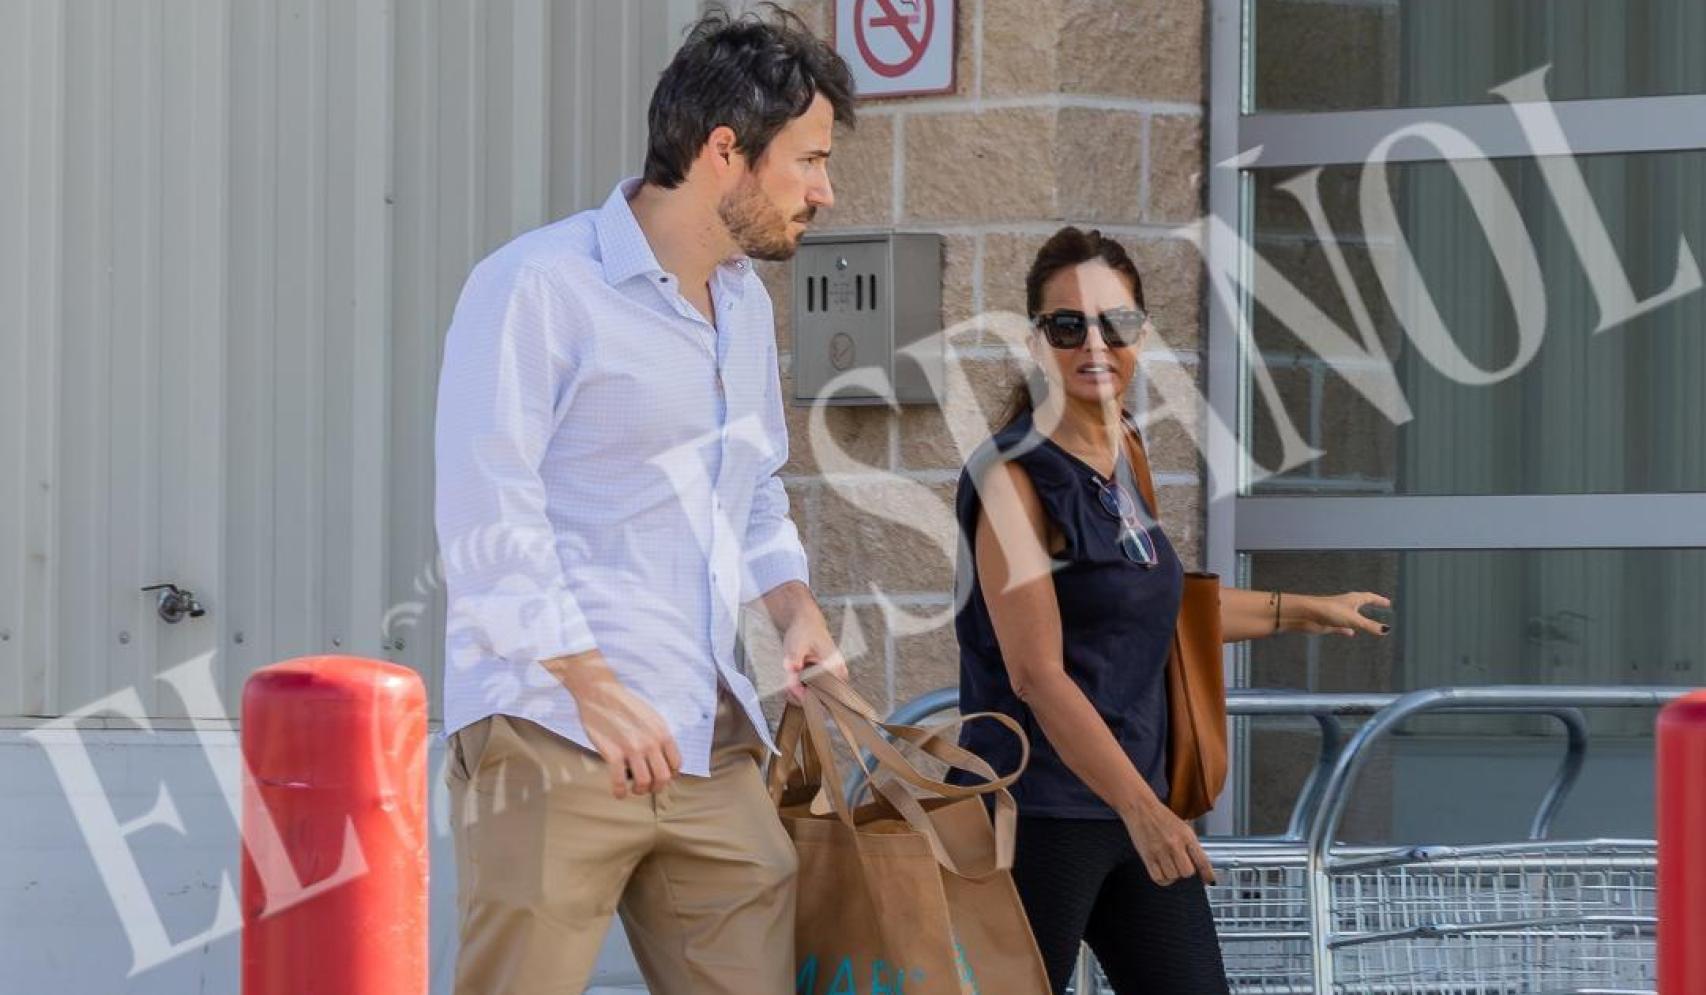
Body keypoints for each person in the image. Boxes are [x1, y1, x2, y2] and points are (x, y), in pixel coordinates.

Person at [432, 8, 855, 994]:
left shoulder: (742, 303)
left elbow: (753, 499)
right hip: (550, 733)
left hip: (708, 744)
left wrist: (792, 607)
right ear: (724, 153)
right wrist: (590, 682)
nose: (822, 190)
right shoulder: (538, 286)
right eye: (807, 160)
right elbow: (484, 511)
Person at [953, 226, 1393, 993]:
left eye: (1115, 323)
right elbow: (1036, 673)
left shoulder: (1125, 450)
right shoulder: (1012, 478)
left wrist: (1307, 610)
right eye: (1068, 325)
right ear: (1035, 341)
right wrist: (1145, 811)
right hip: (1040, 813)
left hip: (1135, 804)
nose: (1094, 343)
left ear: (1142, 335)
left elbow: (1155, 606)